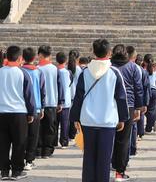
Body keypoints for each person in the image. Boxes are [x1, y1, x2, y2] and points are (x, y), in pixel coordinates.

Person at [70, 39, 129, 182]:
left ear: (93, 52)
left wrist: (75, 117)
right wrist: (122, 118)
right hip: (107, 121)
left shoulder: (85, 72)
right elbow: (121, 98)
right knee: (104, 159)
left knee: (89, 157)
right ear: (109, 53)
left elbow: (78, 97)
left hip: (88, 120)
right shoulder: (114, 72)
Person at [0, 46, 35, 181]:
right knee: (19, 143)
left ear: (6, 57)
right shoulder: (22, 73)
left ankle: (3, 170)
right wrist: (31, 112)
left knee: (2, 143)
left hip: (2, 112)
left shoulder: (0, 72)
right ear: (20, 58)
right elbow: (29, 95)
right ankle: (16, 171)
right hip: (19, 113)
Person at [110, 44, 143, 181]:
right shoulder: (133, 67)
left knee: (110, 138)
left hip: (110, 106)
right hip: (128, 105)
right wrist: (139, 107)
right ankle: (120, 171)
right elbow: (138, 88)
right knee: (124, 140)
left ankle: (111, 163)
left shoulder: (108, 67)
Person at [37, 45, 64, 159]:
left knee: (39, 128)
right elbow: (60, 86)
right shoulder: (54, 69)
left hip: (39, 104)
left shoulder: (36, 68)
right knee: (50, 128)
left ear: (40, 55)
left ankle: (38, 151)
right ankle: (47, 151)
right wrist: (60, 102)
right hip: (52, 102)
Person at [21, 47, 45, 172]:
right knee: (33, 135)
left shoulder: (19, 71)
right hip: (35, 108)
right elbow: (42, 90)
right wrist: (42, 107)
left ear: (23, 57)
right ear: (34, 57)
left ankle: (20, 158)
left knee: (22, 135)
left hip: (21, 108)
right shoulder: (38, 72)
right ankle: (29, 160)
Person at [126, 46, 148, 158]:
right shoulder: (137, 69)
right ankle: (132, 148)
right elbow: (140, 88)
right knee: (132, 126)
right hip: (132, 103)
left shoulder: (116, 67)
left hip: (120, 103)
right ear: (134, 57)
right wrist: (141, 105)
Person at [55, 52, 72, 148]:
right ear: (65, 61)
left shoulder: (55, 71)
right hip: (66, 101)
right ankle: (64, 141)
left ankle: (54, 141)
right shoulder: (68, 72)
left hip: (56, 100)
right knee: (65, 123)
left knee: (55, 123)